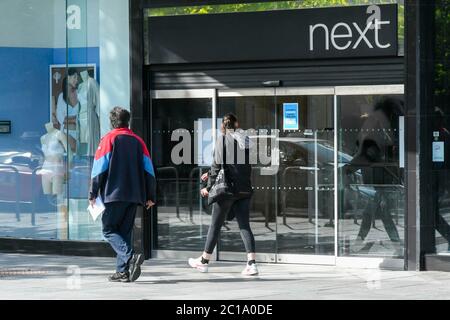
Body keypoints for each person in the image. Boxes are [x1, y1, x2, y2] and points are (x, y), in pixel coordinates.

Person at [89, 107, 156, 282]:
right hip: (134, 196)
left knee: (109, 229)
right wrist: (150, 196)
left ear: (112, 122)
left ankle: (130, 257)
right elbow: (149, 170)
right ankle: (122, 272)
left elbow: (99, 168)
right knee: (125, 232)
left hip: (114, 194)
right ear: (128, 121)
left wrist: (93, 192)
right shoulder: (138, 141)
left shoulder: (109, 139)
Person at [188, 113, 258, 276]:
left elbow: (217, 165)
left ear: (223, 126)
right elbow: (237, 165)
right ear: (237, 124)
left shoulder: (222, 139)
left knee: (215, 225)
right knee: (244, 226)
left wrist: (208, 186)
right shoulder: (246, 141)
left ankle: (204, 262)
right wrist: (210, 174)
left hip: (228, 190)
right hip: (244, 189)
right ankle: (252, 264)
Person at [344, 97, 403, 250]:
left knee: (374, 213)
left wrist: (348, 169)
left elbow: (366, 155)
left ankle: (360, 242)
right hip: (379, 181)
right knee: (379, 213)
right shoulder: (379, 133)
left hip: (379, 181)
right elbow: (367, 155)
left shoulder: (373, 135)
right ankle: (395, 243)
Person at [56, 68, 80, 153]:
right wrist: (74, 119)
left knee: (80, 158)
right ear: (68, 78)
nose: (76, 80)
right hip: (67, 133)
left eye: (77, 78)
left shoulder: (79, 94)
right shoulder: (61, 96)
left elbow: (83, 115)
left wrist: (69, 119)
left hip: (80, 133)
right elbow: (60, 117)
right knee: (70, 157)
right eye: (74, 77)